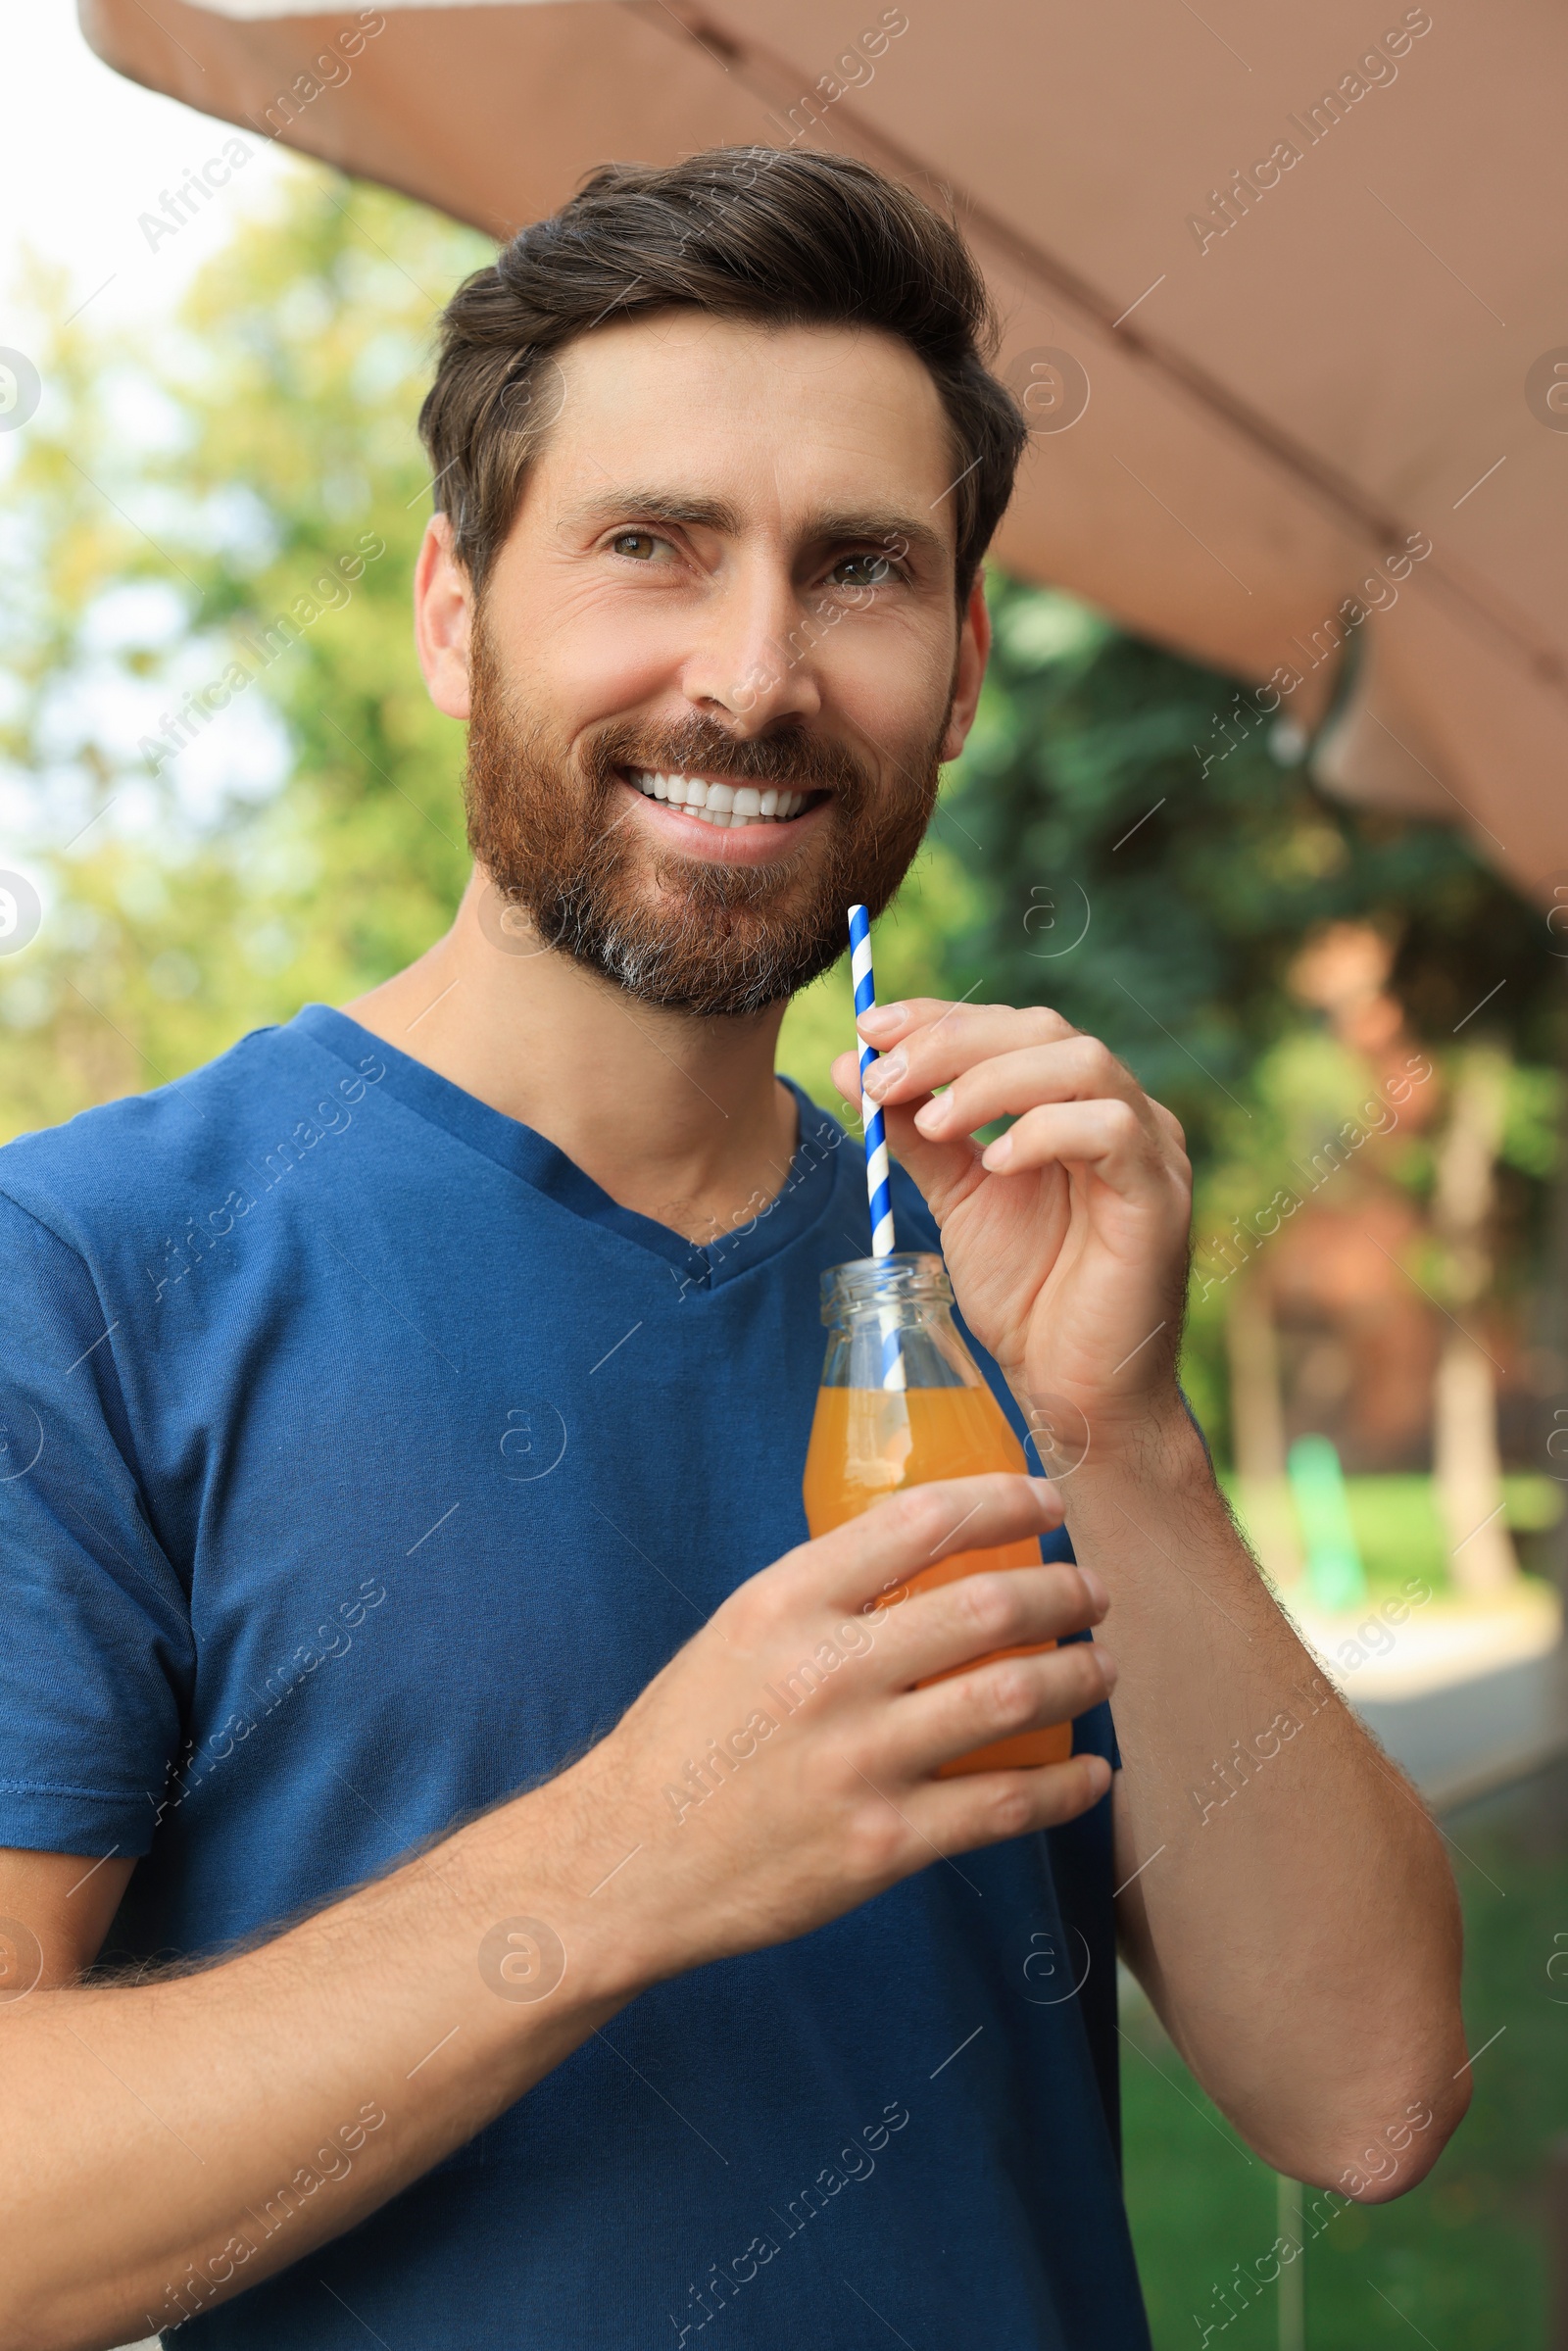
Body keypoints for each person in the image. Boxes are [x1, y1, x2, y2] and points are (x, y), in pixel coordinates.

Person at [0, 148, 1467, 2350]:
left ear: (960, 669)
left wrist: (1116, 1432)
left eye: (856, 569)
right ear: (450, 607)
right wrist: (624, 1864)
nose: (755, 672)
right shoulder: (87, 1271)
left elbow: (1362, 2097)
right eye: (648, 548)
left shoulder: (997, 1274)